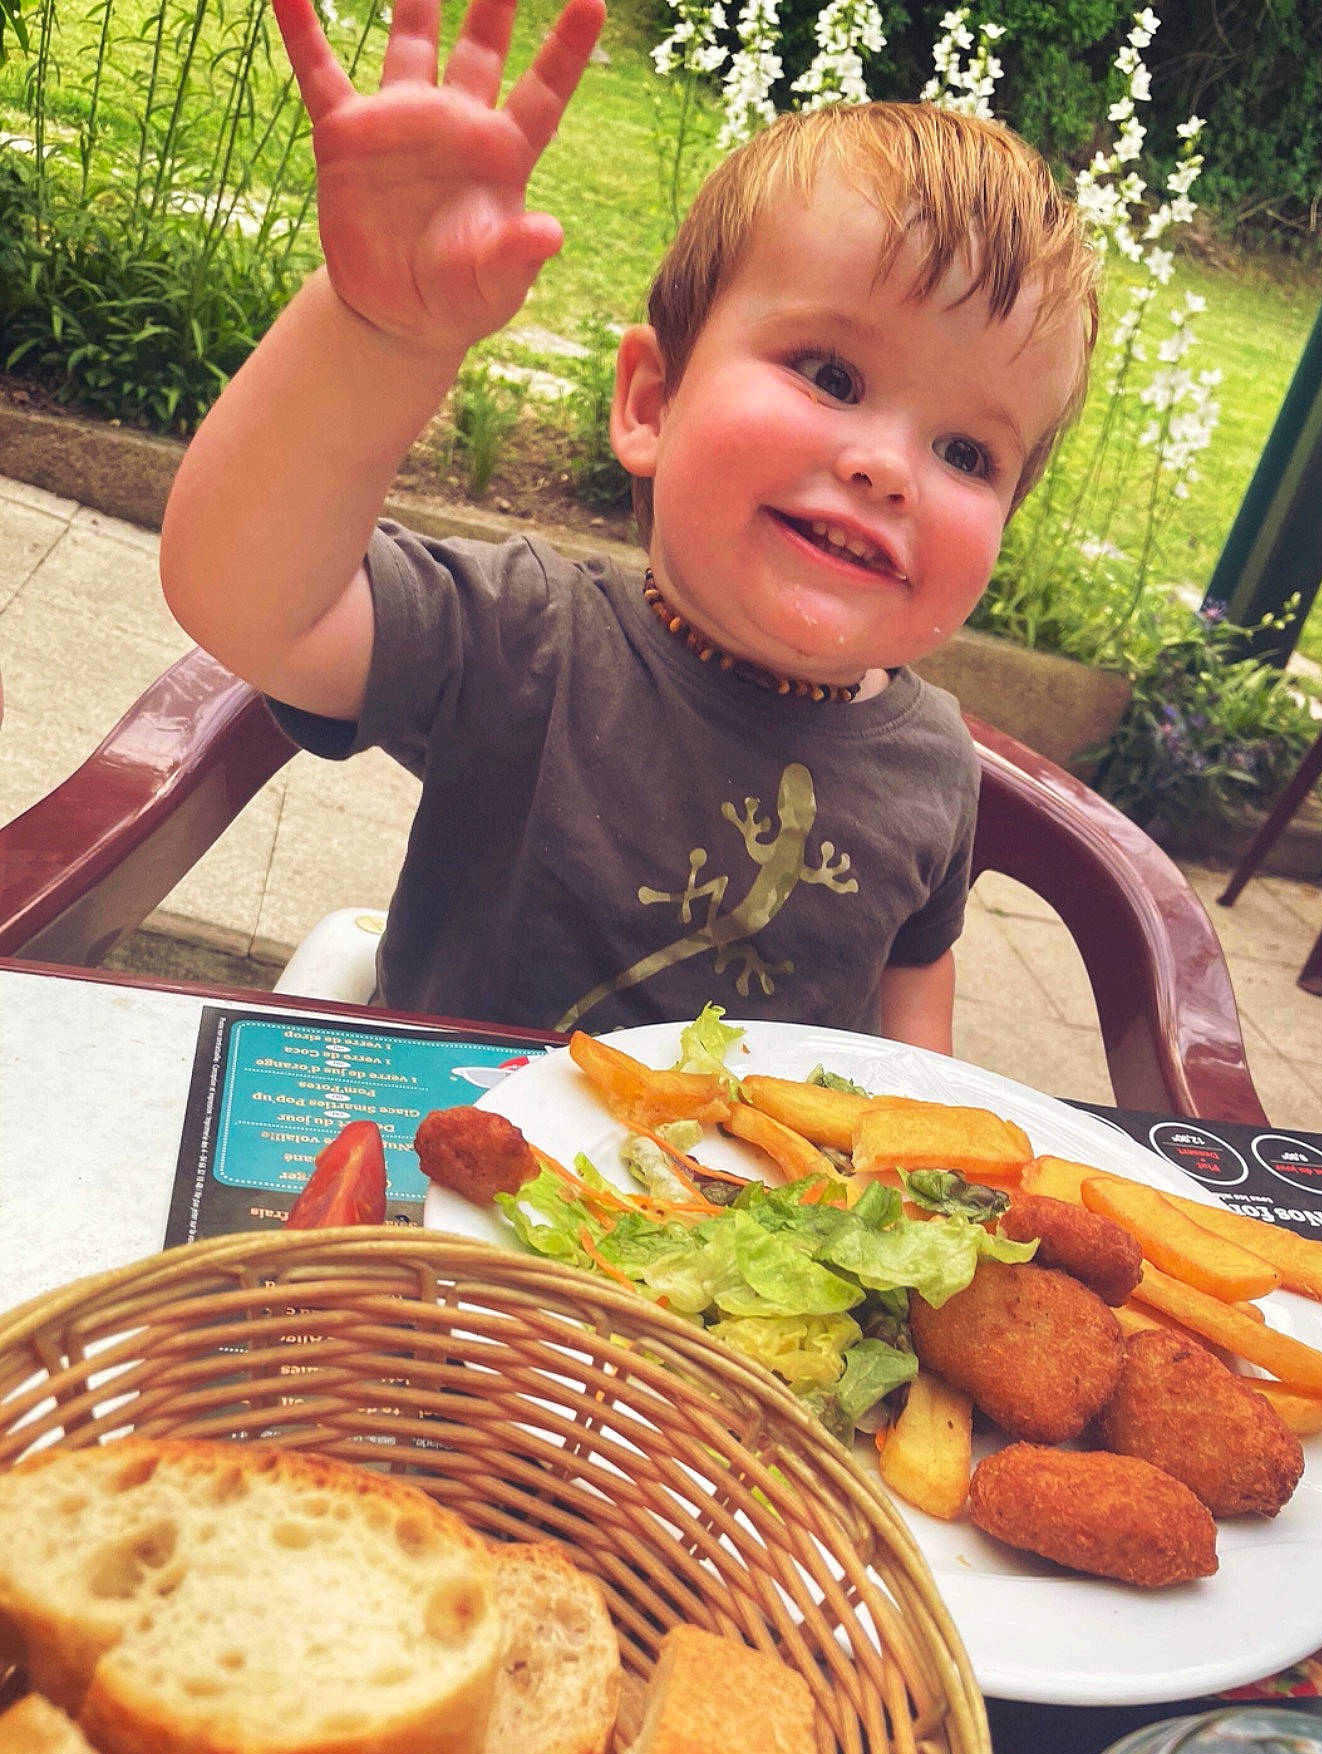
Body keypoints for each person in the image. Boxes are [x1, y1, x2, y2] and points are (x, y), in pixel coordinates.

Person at [159, 0, 1098, 1051]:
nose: (889, 469)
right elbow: (248, 602)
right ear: (651, 403)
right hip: (441, 1190)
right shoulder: (528, 640)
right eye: (832, 374)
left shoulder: (933, 763)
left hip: (731, 1213)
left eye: (969, 453)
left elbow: (913, 976)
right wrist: (373, 334)